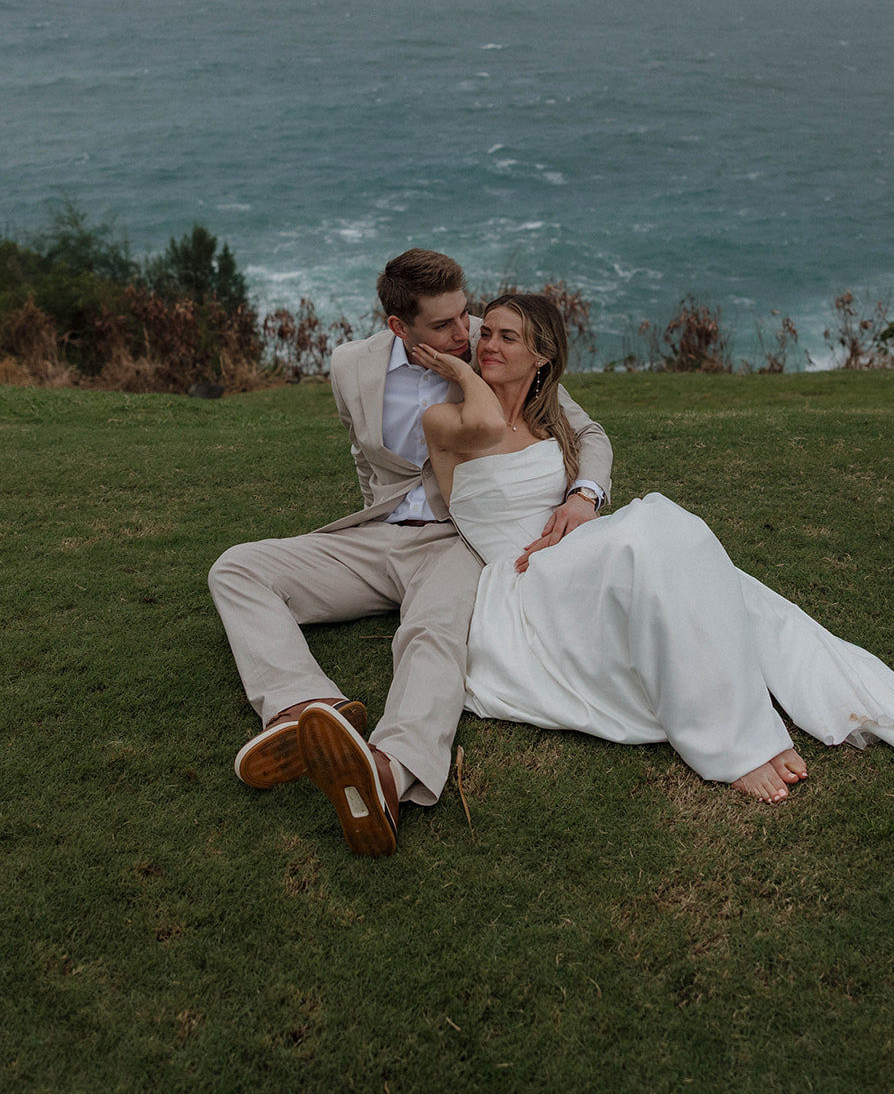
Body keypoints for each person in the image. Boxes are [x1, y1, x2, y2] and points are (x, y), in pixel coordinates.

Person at [413, 292, 894, 803]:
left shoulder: (549, 420)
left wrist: (582, 496)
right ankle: (734, 744)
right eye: (487, 334)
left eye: (507, 337)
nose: (488, 345)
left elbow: (589, 438)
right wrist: (459, 370)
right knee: (646, 533)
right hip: (525, 576)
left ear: (542, 357)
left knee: (680, 540)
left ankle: (781, 693)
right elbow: (487, 421)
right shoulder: (449, 420)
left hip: (576, 550)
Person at [208, 251, 612, 855]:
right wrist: (378, 516)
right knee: (237, 568)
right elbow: (363, 453)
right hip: (382, 532)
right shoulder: (351, 365)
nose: (466, 333)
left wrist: (585, 494)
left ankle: (389, 770)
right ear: (399, 326)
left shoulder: (494, 347)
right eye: (444, 325)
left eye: (465, 314)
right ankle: (305, 708)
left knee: (432, 633)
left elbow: (586, 430)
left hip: (460, 536)